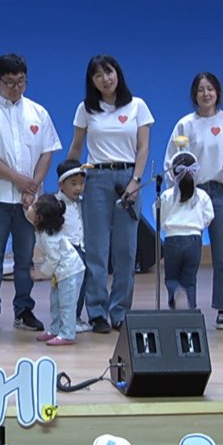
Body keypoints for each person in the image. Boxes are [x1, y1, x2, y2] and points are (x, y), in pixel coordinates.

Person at [0, 53, 61, 333]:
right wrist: (17, 179)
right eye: (9, 82)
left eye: (21, 82)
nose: (16, 88)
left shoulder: (38, 112)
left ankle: (24, 309)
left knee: (25, 259)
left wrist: (33, 186)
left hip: (28, 202)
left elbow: (47, 152)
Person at [67, 55, 152, 333]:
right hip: (96, 180)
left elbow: (143, 148)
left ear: (118, 73)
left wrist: (135, 181)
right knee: (96, 250)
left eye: (109, 72)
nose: (105, 79)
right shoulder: (85, 109)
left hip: (128, 179)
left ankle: (120, 311)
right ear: (91, 81)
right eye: (98, 75)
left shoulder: (137, 106)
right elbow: (76, 147)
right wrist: (67, 177)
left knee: (126, 251)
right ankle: (97, 312)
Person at [164, 72, 223, 328]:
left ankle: (222, 309)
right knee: (188, 251)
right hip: (193, 194)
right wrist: (178, 190)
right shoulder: (185, 124)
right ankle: (185, 306)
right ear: (194, 94)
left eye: (210, 88)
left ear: (217, 92)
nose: (206, 94)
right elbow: (171, 161)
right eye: (200, 89)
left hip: (221, 192)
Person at [158, 150, 214, 310]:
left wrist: (165, 225)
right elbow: (209, 216)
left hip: (172, 239)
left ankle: (175, 294)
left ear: (172, 173)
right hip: (194, 240)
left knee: (171, 277)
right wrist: (199, 225)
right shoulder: (202, 195)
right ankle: (190, 309)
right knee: (190, 280)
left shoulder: (167, 195)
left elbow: (158, 215)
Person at [27, 193, 85, 347]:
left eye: (34, 206)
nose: (31, 207)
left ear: (40, 217)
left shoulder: (49, 237)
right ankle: (55, 329)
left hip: (70, 272)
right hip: (60, 274)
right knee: (55, 302)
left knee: (66, 304)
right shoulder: (42, 229)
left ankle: (67, 334)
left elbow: (54, 258)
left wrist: (41, 273)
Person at [53, 158, 90, 332]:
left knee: (80, 287)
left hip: (80, 249)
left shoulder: (82, 203)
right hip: (65, 252)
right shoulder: (56, 204)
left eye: (81, 183)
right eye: (73, 184)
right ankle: (63, 320)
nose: (78, 188)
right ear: (61, 184)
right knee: (65, 289)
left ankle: (75, 317)